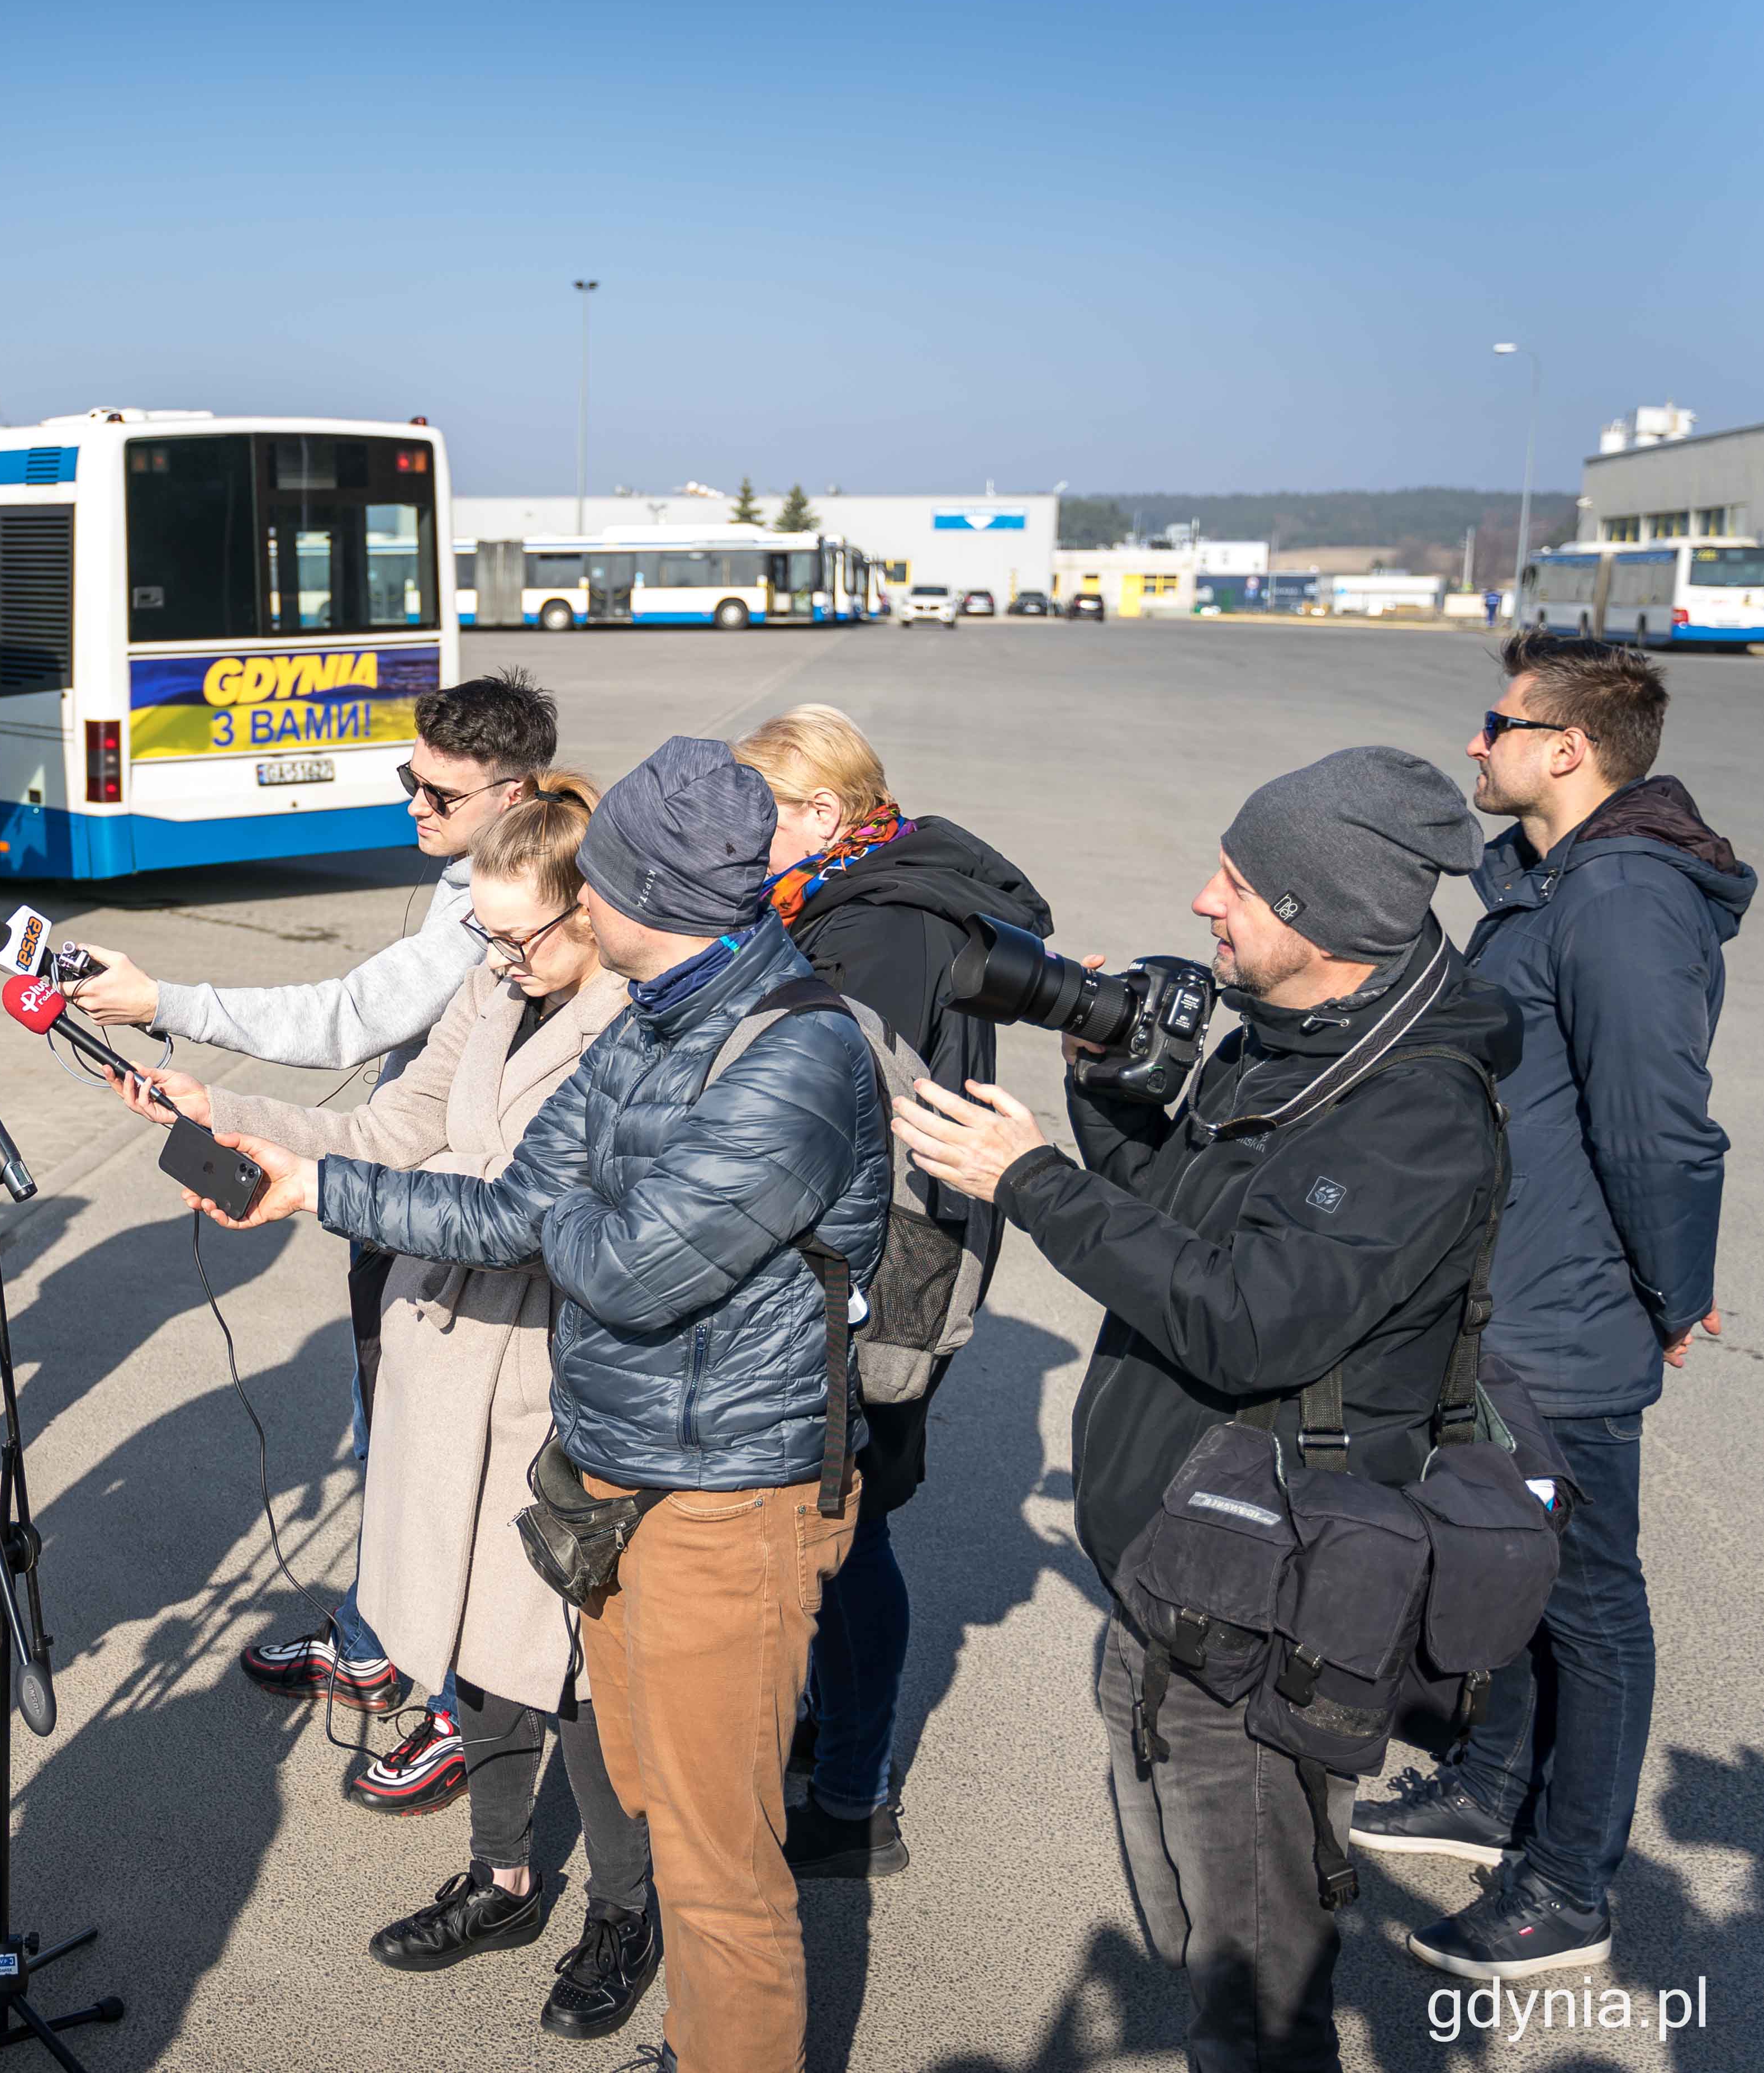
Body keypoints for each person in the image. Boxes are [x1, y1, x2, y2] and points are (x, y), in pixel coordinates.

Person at [188, 738, 891, 2073]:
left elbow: (619, 1266)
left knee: (714, 1855)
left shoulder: (791, 1055)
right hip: (614, 1464)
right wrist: (312, 1186)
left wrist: (561, 1209)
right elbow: (517, 1209)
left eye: (597, 878)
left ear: (634, 897)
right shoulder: (652, 1016)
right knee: (644, 1784)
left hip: (725, 1498)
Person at [895, 748, 1510, 2072]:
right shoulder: (1292, 1037)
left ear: (1314, 911)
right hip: (1174, 1574)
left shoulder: (1409, 1115)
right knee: (1189, 1932)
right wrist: (1102, 1094)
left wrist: (1029, 1183)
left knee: (1254, 1979)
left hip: (1260, 1612)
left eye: (1233, 882)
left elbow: (1247, 1321)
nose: (1199, 903)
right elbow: (1176, 1223)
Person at [111, 772, 663, 2039]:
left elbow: (525, 1210)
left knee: (569, 1663)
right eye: (485, 934)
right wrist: (222, 1113)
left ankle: (621, 1912)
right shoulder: (497, 982)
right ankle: (501, 1878)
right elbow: (396, 1124)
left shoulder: (637, 1028)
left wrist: (331, 1186)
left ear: (590, 912)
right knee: (471, 1642)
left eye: (517, 936)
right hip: (440, 1353)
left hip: (551, 1375)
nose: (498, 959)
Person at [73, 669, 560, 1808]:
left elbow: (352, 1017)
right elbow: (391, 1107)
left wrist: (163, 1002)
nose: (413, 808)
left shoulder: (504, 909)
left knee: (452, 1475)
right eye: (407, 781)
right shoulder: (471, 879)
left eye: (438, 794)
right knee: (386, 1441)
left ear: (516, 793)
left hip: (454, 1234)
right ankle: (374, 1639)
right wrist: (229, 1114)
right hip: (396, 1200)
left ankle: (460, 1712)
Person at [1354, 638, 1748, 1978]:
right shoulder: (1545, 878)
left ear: (1566, 749)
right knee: (1503, 1570)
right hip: (1501, 1302)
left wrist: (1671, 1294)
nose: (1474, 743)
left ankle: (1569, 1885)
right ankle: (1488, 1791)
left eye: (1497, 722)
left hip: (1564, 1321)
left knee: (1585, 1603)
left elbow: (1656, 1128)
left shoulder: (1623, 899)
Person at [736, 704, 1052, 1879]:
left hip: (886, 1263)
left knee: (846, 1527)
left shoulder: (878, 926)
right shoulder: (867, 891)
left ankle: (856, 1800)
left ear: (822, 812)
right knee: (837, 1519)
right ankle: (835, 1730)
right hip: (893, 1250)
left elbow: (837, 1112)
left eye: (757, 816)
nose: (740, 841)